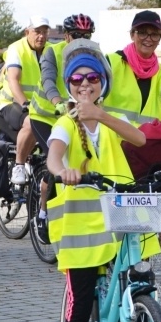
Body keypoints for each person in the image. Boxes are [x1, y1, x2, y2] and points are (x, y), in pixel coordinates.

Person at [45, 40, 145, 322]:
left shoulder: (107, 119)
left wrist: (100, 115)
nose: (84, 84)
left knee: (137, 288)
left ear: (102, 82)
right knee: (79, 307)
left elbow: (139, 140)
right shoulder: (65, 123)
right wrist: (61, 171)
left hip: (120, 227)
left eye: (91, 78)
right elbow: (55, 153)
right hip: (83, 234)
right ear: (69, 85)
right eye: (76, 79)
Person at [28, 13, 96, 244]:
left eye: (86, 36)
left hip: (76, 116)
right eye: (76, 36)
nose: (81, 40)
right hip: (46, 116)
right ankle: (43, 211)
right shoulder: (52, 52)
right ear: (66, 36)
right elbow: (48, 80)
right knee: (54, 161)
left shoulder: (94, 54)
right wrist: (58, 103)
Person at [0, 16, 52, 185]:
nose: (41, 36)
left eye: (45, 32)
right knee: (33, 123)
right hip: (9, 104)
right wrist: (26, 104)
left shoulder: (51, 50)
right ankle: (19, 165)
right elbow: (13, 80)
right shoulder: (16, 49)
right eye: (37, 32)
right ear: (27, 32)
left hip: (40, 106)